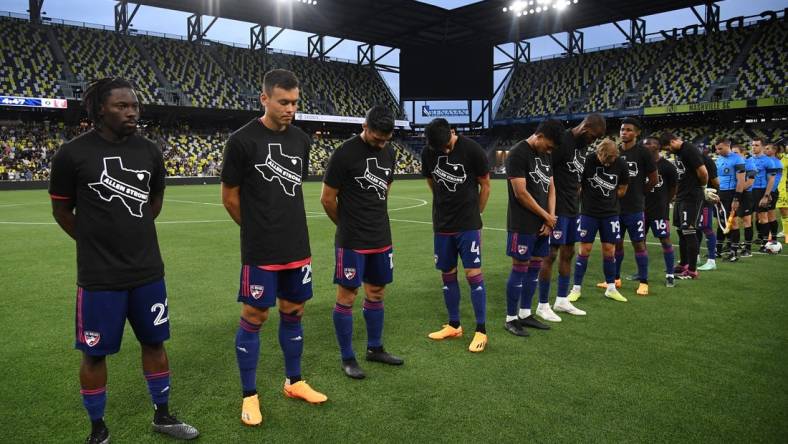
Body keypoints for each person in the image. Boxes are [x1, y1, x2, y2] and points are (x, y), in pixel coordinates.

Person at [49, 77, 199, 443]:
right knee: (94, 354)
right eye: (121, 106)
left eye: (134, 106)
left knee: (155, 343)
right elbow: (62, 211)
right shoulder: (72, 154)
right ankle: (98, 429)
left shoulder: (149, 151)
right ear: (101, 109)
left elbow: (155, 199)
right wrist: (95, 244)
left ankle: (162, 416)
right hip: (99, 278)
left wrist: (134, 235)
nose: (131, 112)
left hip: (148, 272)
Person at [221, 69, 327, 427]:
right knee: (255, 316)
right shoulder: (242, 140)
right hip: (261, 249)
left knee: (294, 311)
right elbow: (230, 196)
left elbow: (293, 189)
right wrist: (256, 231)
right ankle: (249, 395)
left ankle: (294, 382)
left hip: (297, 243)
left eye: (295, 102)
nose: (290, 108)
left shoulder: (301, 140)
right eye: (283, 102)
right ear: (264, 98)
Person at [321, 105, 404, 379]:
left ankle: (375, 348)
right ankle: (347, 358)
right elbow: (327, 198)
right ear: (364, 127)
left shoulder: (389, 151)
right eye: (377, 138)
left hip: (380, 235)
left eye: (385, 139)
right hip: (352, 239)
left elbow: (385, 188)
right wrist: (346, 226)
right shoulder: (344, 153)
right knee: (347, 295)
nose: (381, 143)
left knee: (377, 292)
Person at [421, 118, 491, 352]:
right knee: (447, 273)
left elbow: (485, 185)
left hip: (468, 225)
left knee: (473, 273)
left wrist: (475, 214)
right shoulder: (428, 152)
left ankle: (481, 330)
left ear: (452, 132)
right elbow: (432, 183)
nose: (446, 151)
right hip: (442, 225)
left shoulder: (473, 150)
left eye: (448, 146)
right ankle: (454, 325)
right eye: (441, 149)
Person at [537, 114, 606, 320]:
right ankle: (542, 304)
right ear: (586, 127)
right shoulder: (562, 141)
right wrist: (547, 212)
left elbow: (576, 179)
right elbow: (546, 175)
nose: (593, 141)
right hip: (556, 209)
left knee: (568, 252)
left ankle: (561, 300)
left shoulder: (583, 147)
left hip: (572, 209)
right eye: (594, 136)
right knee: (550, 254)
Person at [503, 119, 564, 336]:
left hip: (543, 223)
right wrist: (546, 216)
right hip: (522, 223)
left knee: (535, 267)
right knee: (519, 268)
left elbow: (551, 187)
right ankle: (511, 318)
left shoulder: (545, 154)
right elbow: (521, 193)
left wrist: (551, 218)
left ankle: (526, 313)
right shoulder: (518, 154)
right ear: (539, 136)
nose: (549, 150)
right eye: (548, 145)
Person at [598, 117, 656, 295]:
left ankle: (644, 282)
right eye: (622, 129)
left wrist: (639, 192)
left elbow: (654, 179)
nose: (624, 132)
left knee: (639, 244)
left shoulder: (644, 153)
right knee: (617, 244)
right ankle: (616, 279)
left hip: (635, 208)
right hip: (615, 208)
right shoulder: (615, 152)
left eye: (629, 130)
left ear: (637, 133)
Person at [568, 139, 630, 302]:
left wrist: (608, 196)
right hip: (588, 213)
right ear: (599, 153)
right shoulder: (587, 161)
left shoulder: (621, 164)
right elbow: (577, 185)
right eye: (605, 159)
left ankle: (611, 288)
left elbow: (623, 188)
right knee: (584, 250)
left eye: (612, 160)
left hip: (610, 214)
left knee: (609, 251)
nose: (608, 163)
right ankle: (576, 288)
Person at [660, 132, 709, 279]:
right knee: (681, 230)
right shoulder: (680, 152)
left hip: (691, 197)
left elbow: (703, 172)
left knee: (689, 230)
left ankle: (692, 270)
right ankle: (684, 264)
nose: (668, 151)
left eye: (667, 147)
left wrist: (701, 186)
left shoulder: (689, 150)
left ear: (673, 141)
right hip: (681, 196)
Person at [642, 136, 678, 286]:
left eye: (647, 144)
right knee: (639, 241)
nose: (644, 147)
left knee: (665, 241)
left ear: (656, 146)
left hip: (659, 211)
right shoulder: (641, 165)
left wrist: (665, 202)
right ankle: (642, 273)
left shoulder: (668, 167)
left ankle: (670, 274)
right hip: (641, 209)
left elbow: (673, 188)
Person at [711, 139, 745, 262]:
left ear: (728, 146)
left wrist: (736, 198)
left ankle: (734, 253)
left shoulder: (737, 159)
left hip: (732, 193)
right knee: (721, 221)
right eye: (717, 149)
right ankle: (718, 251)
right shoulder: (719, 159)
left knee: (733, 223)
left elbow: (741, 181)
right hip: (721, 194)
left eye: (720, 148)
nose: (718, 151)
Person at [730, 144, 757, 258]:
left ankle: (748, 248)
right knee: (733, 221)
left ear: (743, 153)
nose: (733, 155)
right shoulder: (733, 163)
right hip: (735, 194)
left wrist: (738, 191)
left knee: (747, 221)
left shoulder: (750, 163)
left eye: (736, 152)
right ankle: (733, 246)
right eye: (732, 153)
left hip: (745, 194)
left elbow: (750, 182)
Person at [750, 138, 776, 252]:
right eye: (752, 145)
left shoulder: (768, 161)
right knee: (748, 218)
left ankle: (765, 244)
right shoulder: (749, 160)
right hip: (749, 191)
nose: (753, 147)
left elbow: (771, 180)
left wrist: (766, 195)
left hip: (761, 191)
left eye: (756, 145)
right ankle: (749, 243)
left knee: (763, 217)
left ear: (762, 147)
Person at [696, 147, 719, 270]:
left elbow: (716, 182)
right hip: (694, 199)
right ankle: (696, 256)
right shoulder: (690, 160)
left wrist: (715, 195)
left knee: (706, 227)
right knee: (696, 228)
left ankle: (711, 260)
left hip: (705, 199)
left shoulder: (708, 161)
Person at [764, 144, 782, 245]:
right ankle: (763, 237)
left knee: (770, 214)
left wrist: (769, 192)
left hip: (771, 191)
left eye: (767, 149)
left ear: (774, 150)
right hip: (764, 190)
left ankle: (773, 238)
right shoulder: (767, 161)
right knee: (761, 215)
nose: (765, 150)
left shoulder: (777, 163)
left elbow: (775, 180)